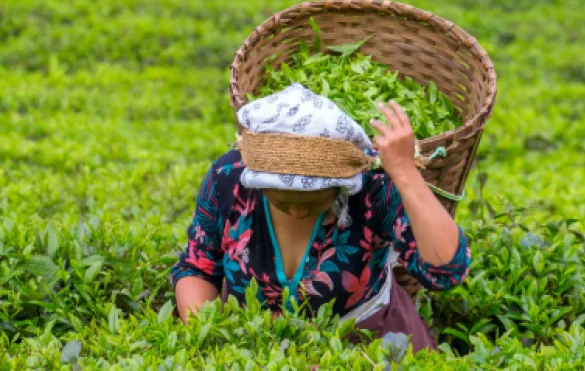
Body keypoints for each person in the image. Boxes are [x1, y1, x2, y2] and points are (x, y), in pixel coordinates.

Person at [171, 84, 470, 353]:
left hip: (367, 348)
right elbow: (198, 267)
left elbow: (445, 273)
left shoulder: (371, 189)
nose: (298, 212)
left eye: (314, 200)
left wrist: (404, 172)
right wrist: (210, 339)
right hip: (253, 346)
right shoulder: (229, 180)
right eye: (282, 201)